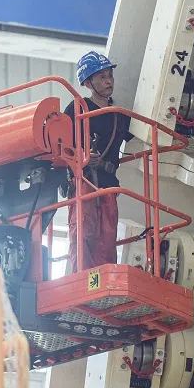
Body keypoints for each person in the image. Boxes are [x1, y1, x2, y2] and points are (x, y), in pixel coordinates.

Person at [63, 51, 133, 274]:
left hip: (108, 184)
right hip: (84, 181)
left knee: (107, 237)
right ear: (87, 82)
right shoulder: (77, 109)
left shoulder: (119, 115)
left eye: (109, 74)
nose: (108, 80)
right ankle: (81, 281)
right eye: (101, 76)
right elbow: (62, 145)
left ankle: (103, 283)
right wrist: (79, 155)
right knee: (84, 234)